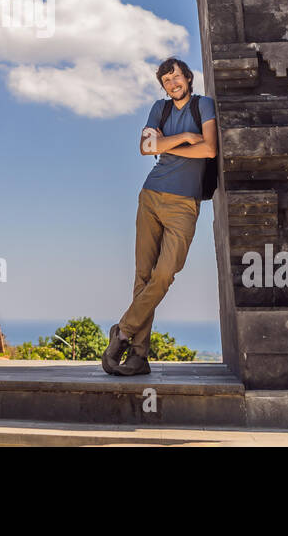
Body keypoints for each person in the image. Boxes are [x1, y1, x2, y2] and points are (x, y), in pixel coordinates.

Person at [102, 57, 217, 376]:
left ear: (188, 78)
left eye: (176, 77)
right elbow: (145, 147)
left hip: (185, 202)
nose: (172, 84)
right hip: (151, 194)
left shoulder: (203, 106)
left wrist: (167, 145)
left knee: (165, 273)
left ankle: (122, 331)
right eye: (166, 80)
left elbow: (209, 150)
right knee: (142, 275)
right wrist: (184, 138)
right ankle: (138, 356)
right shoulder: (160, 109)